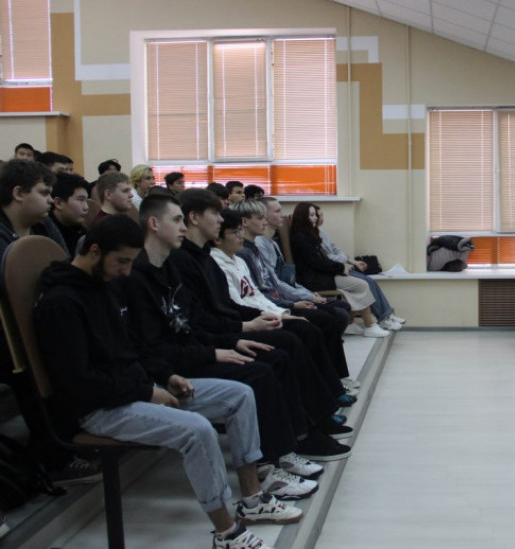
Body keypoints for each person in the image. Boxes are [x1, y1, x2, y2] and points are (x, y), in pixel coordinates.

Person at [35, 215, 302, 549]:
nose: (126, 271)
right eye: (122, 261)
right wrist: (148, 392)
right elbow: (79, 383)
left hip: (135, 388)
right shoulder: (61, 303)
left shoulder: (104, 286)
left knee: (240, 394)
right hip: (97, 407)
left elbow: (134, 348)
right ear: (94, 250)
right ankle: (227, 533)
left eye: (131, 262)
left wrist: (166, 376)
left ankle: (252, 499)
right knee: (197, 430)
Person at [118, 194, 324, 488]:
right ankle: (269, 465)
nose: (182, 227)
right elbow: (155, 346)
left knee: (275, 355)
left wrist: (231, 341)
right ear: (154, 224)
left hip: (192, 350)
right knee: (261, 371)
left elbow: (188, 326)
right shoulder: (139, 276)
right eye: (176, 220)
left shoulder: (169, 267)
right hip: (173, 368)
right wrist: (216, 351)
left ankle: (287, 449)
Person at [169, 189, 352, 461]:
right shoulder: (186, 261)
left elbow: (232, 303)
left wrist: (269, 316)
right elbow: (201, 318)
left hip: (230, 325)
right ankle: (302, 435)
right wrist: (245, 328)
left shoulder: (206, 256)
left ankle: (318, 418)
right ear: (194, 218)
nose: (220, 219)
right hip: (217, 336)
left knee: (300, 332)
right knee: (285, 346)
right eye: (215, 214)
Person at [0, 159, 100, 484]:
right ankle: (57, 457)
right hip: (8, 340)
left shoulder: (42, 228)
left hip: (37, 323)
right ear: (18, 193)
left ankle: (74, 437)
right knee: (41, 365)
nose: (49, 200)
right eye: (43, 193)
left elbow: (62, 267)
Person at [233, 200, 353, 385]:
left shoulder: (259, 247)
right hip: (273, 306)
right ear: (244, 222)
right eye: (274, 212)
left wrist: (302, 297)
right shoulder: (246, 252)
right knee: (324, 320)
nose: (281, 215)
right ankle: (330, 379)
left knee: (335, 312)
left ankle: (333, 377)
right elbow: (261, 292)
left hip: (280, 302)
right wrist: (290, 306)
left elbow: (278, 280)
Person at [289, 202, 389, 339]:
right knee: (362, 285)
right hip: (314, 280)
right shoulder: (301, 239)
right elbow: (318, 263)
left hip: (320, 275)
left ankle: (350, 323)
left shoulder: (308, 235)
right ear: (302, 217)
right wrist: (340, 268)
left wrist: (341, 267)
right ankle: (369, 326)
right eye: (312, 215)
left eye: (316, 215)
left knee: (358, 284)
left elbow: (323, 259)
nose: (316, 218)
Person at [316, 205, 405, 331]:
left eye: (321, 215)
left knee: (370, 280)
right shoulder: (311, 237)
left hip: (339, 268)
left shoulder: (322, 232)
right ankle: (383, 319)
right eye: (317, 215)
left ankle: (387, 315)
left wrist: (351, 261)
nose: (320, 218)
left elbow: (336, 250)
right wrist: (344, 260)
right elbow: (329, 257)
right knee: (365, 282)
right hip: (332, 273)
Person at [49, 172, 90, 257]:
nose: (86, 207)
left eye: (86, 200)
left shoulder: (83, 233)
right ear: (59, 203)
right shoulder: (45, 233)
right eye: (80, 200)